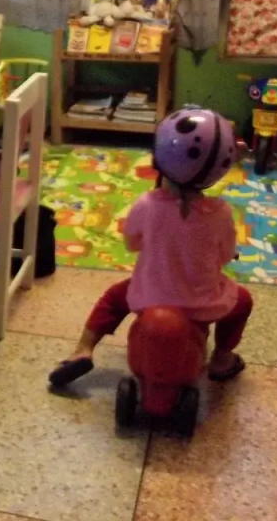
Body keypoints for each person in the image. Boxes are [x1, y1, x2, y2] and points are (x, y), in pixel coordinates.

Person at [48, 107, 253, 388]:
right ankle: (221, 358)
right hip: (203, 304)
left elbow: (131, 243)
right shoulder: (221, 212)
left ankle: (82, 349)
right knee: (243, 301)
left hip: (149, 297)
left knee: (113, 298)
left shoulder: (146, 204)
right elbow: (227, 255)